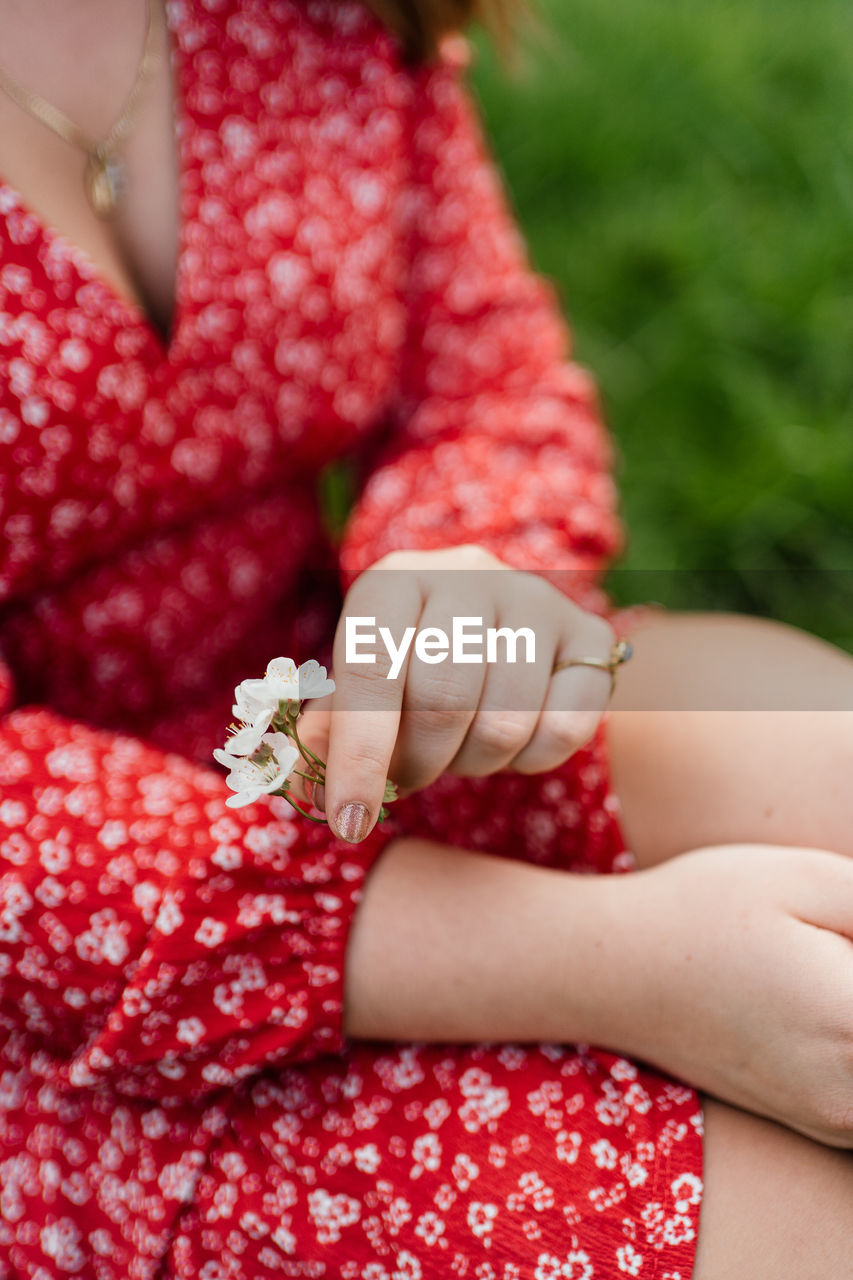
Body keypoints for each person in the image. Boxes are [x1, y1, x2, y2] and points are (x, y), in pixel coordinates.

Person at [0, 1, 850, 1277]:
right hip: (40, 993)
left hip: (316, 725)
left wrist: (453, 586)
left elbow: (485, 383)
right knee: (800, 1228)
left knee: (816, 773)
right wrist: (609, 966)